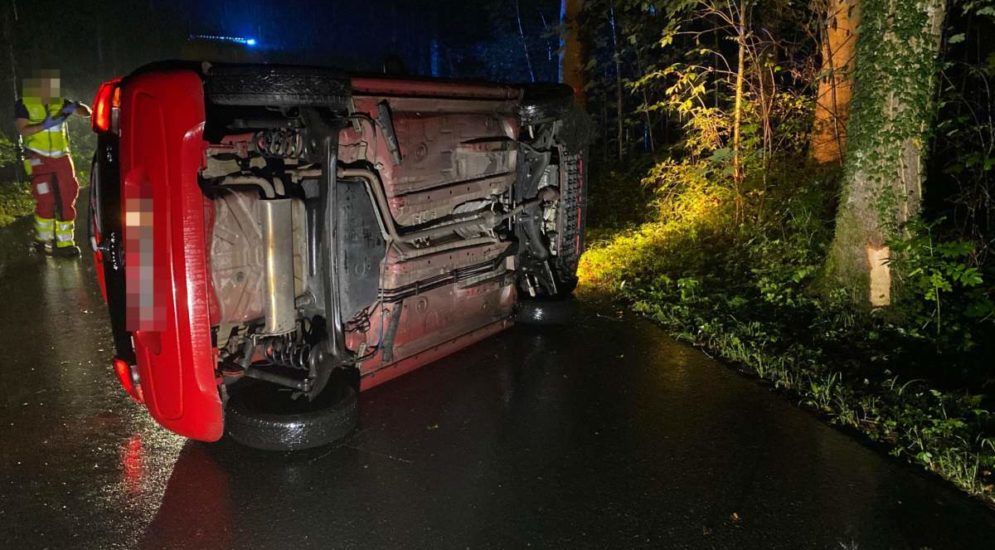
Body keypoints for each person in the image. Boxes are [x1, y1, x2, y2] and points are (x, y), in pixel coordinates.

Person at [14, 70, 91, 256]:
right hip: (38, 158)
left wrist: (76, 106)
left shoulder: (59, 102)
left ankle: (65, 244)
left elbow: (87, 113)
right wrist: (44, 125)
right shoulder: (24, 103)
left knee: (67, 195)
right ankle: (42, 240)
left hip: (62, 157)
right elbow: (23, 130)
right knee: (46, 199)